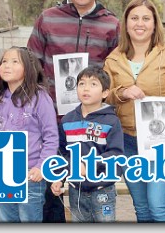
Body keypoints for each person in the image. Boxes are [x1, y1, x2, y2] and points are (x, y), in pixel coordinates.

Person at [27, 0, 120, 223]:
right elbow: (31, 65)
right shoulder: (48, 19)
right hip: (51, 118)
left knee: (88, 192)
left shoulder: (111, 24)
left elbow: (113, 71)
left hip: (90, 125)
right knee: (48, 189)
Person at [103, 0, 165, 222]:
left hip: (161, 143)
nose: (140, 23)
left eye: (146, 18)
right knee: (142, 209)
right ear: (125, 23)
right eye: (134, 18)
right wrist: (122, 92)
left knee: (159, 206)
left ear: (155, 23)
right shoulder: (113, 59)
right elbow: (104, 98)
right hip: (126, 142)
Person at [0, 46, 59, 222]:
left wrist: (42, 166)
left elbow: (51, 137)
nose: (7, 65)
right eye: (4, 61)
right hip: (2, 171)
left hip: (29, 175)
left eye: (14, 61)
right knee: (5, 219)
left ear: (28, 68)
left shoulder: (40, 98)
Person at [50, 66, 124, 222]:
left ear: (105, 93)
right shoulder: (67, 121)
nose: (86, 88)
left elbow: (116, 154)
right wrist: (59, 178)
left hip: (103, 190)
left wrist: (88, 165)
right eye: (82, 84)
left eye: (93, 84)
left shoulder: (111, 121)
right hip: (76, 190)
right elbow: (62, 154)